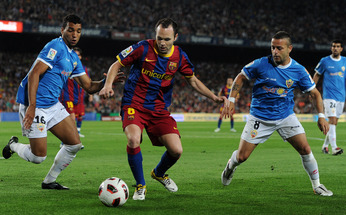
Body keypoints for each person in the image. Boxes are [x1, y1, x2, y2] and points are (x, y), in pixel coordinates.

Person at [99, 18, 228, 200]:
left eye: (167, 39)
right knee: (134, 139)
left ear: (175, 37)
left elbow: (192, 80)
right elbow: (117, 63)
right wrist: (108, 85)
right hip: (134, 104)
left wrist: (213, 97)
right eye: (159, 38)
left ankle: (159, 173)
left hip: (159, 109)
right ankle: (140, 186)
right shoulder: (143, 48)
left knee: (176, 151)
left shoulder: (180, 57)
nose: (162, 43)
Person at [2, 14, 123, 190]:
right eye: (71, 30)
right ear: (62, 30)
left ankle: (49, 181)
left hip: (52, 105)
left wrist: (106, 82)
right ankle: (13, 145)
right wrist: (32, 107)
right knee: (38, 157)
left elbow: (88, 86)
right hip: (36, 105)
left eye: (78, 31)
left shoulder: (73, 58)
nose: (75, 34)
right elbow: (34, 74)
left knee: (74, 144)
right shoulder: (55, 46)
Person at [221, 31, 333, 196]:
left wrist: (322, 116)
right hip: (260, 117)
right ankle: (231, 165)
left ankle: (317, 185)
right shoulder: (260, 64)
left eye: (279, 48)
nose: (275, 51)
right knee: (242, 156)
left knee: (305, 148)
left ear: (289, 49)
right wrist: (231, 99)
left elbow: (315, 93)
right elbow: (241, 77)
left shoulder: (298, 70)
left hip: (285, 116)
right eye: (273, 47)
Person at [313, 40, 346, 155]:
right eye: (333, 46)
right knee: (332, 120)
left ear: (341, 49)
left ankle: (325, 146)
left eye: (338, 46)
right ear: (331, 48)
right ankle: (334, 148)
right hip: (329, 95)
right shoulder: (324, 61)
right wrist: (312, 90)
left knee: (334, 123)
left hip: (341, 96)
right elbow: (317, 75)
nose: (335, 48)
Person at [59, 47, 93, 149]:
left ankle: (72, 140)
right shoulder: (65, 65)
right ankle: (66, 142)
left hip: (79, 97)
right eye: (75, 55)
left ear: (81, 57)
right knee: (71, 118)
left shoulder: (84, 69)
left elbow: (88, 82)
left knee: (78, 116)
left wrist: (90, 94)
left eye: (78, 55)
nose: (76, 57)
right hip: (67, 96)